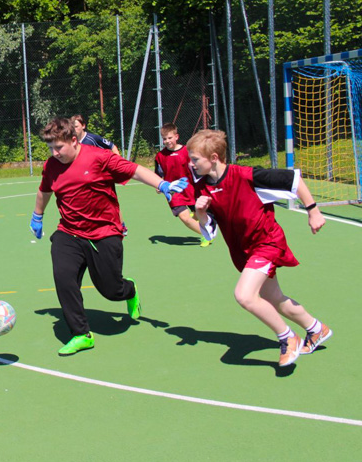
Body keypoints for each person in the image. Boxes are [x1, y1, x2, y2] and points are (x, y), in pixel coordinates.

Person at [30, 116, 189, 356]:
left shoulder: (99, 157)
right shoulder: (51, 165)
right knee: (63, 277)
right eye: (50, 148)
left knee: (110, 289)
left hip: (104, 233)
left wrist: (163, 185)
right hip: (69, 232)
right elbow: (45, 190)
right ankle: (81, 334)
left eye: (59, 147)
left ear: (74, 140)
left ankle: (130, 290)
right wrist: (37, 215)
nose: (54, 153)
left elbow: (135, 171)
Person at [188, 129, 331, 367]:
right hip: (243, 251)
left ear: (213, 157)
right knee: (273, 297)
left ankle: (288, 338)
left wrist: (313, 210)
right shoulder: (202, 188)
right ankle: (316, 329)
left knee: (244, 296)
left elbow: (292, 180)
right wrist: (200, 211)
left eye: (195, 160)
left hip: (267, 243)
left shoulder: (247, 176)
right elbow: (209, 229)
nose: (191, 164)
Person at [154, 123, 210, 246]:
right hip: (173, 193)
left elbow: (198, 168)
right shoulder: (160, 156)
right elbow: (158, 174)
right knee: (185, 218)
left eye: (170, 138)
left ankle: (202, 221)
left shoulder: (187, 152)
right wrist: (158, 185)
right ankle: (206, 234)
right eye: (164, 139)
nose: (167, 141)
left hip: (191, 189)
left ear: (176, 136)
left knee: (198, 213)